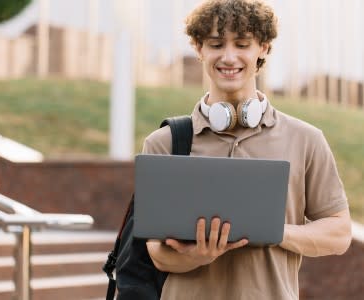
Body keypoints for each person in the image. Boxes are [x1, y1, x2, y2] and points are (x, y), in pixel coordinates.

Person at [142, 0, 352, 299]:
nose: (229, 57)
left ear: (263, 48)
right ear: (199, 48)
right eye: (216, 44)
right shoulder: (163, 143)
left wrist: (273, 230)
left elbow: (339, 233)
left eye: (242, 44)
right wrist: (201, 254)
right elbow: (157, 253)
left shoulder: (306, 139)